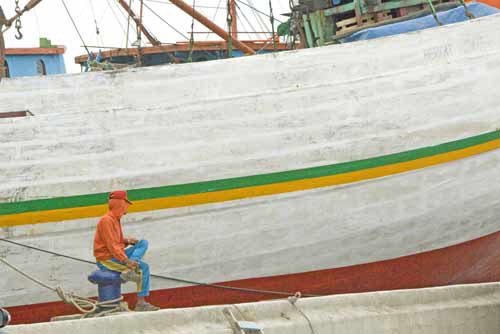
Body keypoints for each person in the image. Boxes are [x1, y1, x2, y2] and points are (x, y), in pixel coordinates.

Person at [93, 190, 159, 311]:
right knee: (143, 268)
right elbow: (112, 245)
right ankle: (141, 302)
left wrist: (128, 241)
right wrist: (125, 260)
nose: (126, 209)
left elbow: (116, 240)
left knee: (143, 242)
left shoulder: (114, 219)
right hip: (106, 259)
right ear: (120, 204)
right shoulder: (107, 220)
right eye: (126, 205)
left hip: (116, 255)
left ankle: (131, 268)